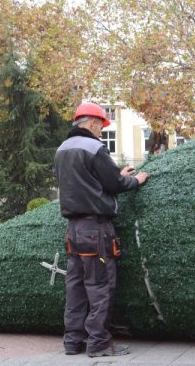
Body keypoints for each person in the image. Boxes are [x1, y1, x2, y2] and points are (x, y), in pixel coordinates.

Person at [54, 102, 149, 357]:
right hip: (96, 229)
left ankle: (72, 342)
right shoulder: (94, 148)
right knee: (99, 286)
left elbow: (87, 182)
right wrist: (135, 180)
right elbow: (115, 183)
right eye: (101, 127)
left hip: (73, 230)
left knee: (75, 287)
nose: (101, 131)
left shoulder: (62, 149)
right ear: (93, 123)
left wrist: (114, 175)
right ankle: (98, 345)